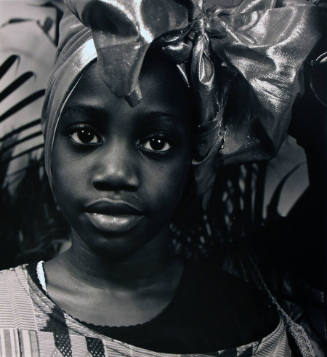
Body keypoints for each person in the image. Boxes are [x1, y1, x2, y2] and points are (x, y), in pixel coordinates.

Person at [0, 0, 325, 356]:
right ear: (51, 141)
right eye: (85, 135)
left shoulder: (251, 327)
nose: (116, 173)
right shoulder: (6, 313)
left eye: (157, 142)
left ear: (193, 157)